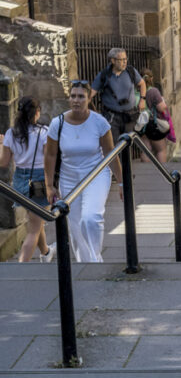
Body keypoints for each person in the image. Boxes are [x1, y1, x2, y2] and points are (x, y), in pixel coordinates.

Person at [43, 80, 124, 263]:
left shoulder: (99, 122)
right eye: (73, 96)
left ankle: (95, 261)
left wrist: (121, 182)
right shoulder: (58, 123)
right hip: (69, 177)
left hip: (96, 175)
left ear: (88, 99)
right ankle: (85, 264)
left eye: (81, 96)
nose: (76, 100)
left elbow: (111, 154)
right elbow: (50, 155)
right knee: (76, 226)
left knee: (91, 218)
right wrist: (49, 185)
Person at [0, 96, 56, 263]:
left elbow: (3, 162)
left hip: (19, 181)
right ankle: (21, 266)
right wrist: (50, 185)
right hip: (39, 180)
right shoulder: (43, 132)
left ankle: (46, 253)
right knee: (33, 229)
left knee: (34, 221)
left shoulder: (11, 133)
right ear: (37, 113)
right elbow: (49, 161)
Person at [92, 48, 146, 143]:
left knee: (127, 144)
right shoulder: (104, 75)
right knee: (113, 145)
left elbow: (142, 84)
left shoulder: (130, 71)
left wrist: (142, 100)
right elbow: (91, 94)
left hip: (129, 116)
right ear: (113, 60)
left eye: (125, 59)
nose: (124, 62)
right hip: (112, 118)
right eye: (121, 60)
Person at [139, 70, 173, 163]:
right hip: (152, 123)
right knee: (161, 149)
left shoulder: (137, 91)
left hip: (141, 123)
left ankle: (146, 172)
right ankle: (162, 171)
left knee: (146, 149)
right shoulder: (153, 91)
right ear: (151, 78)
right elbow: (161, 108)